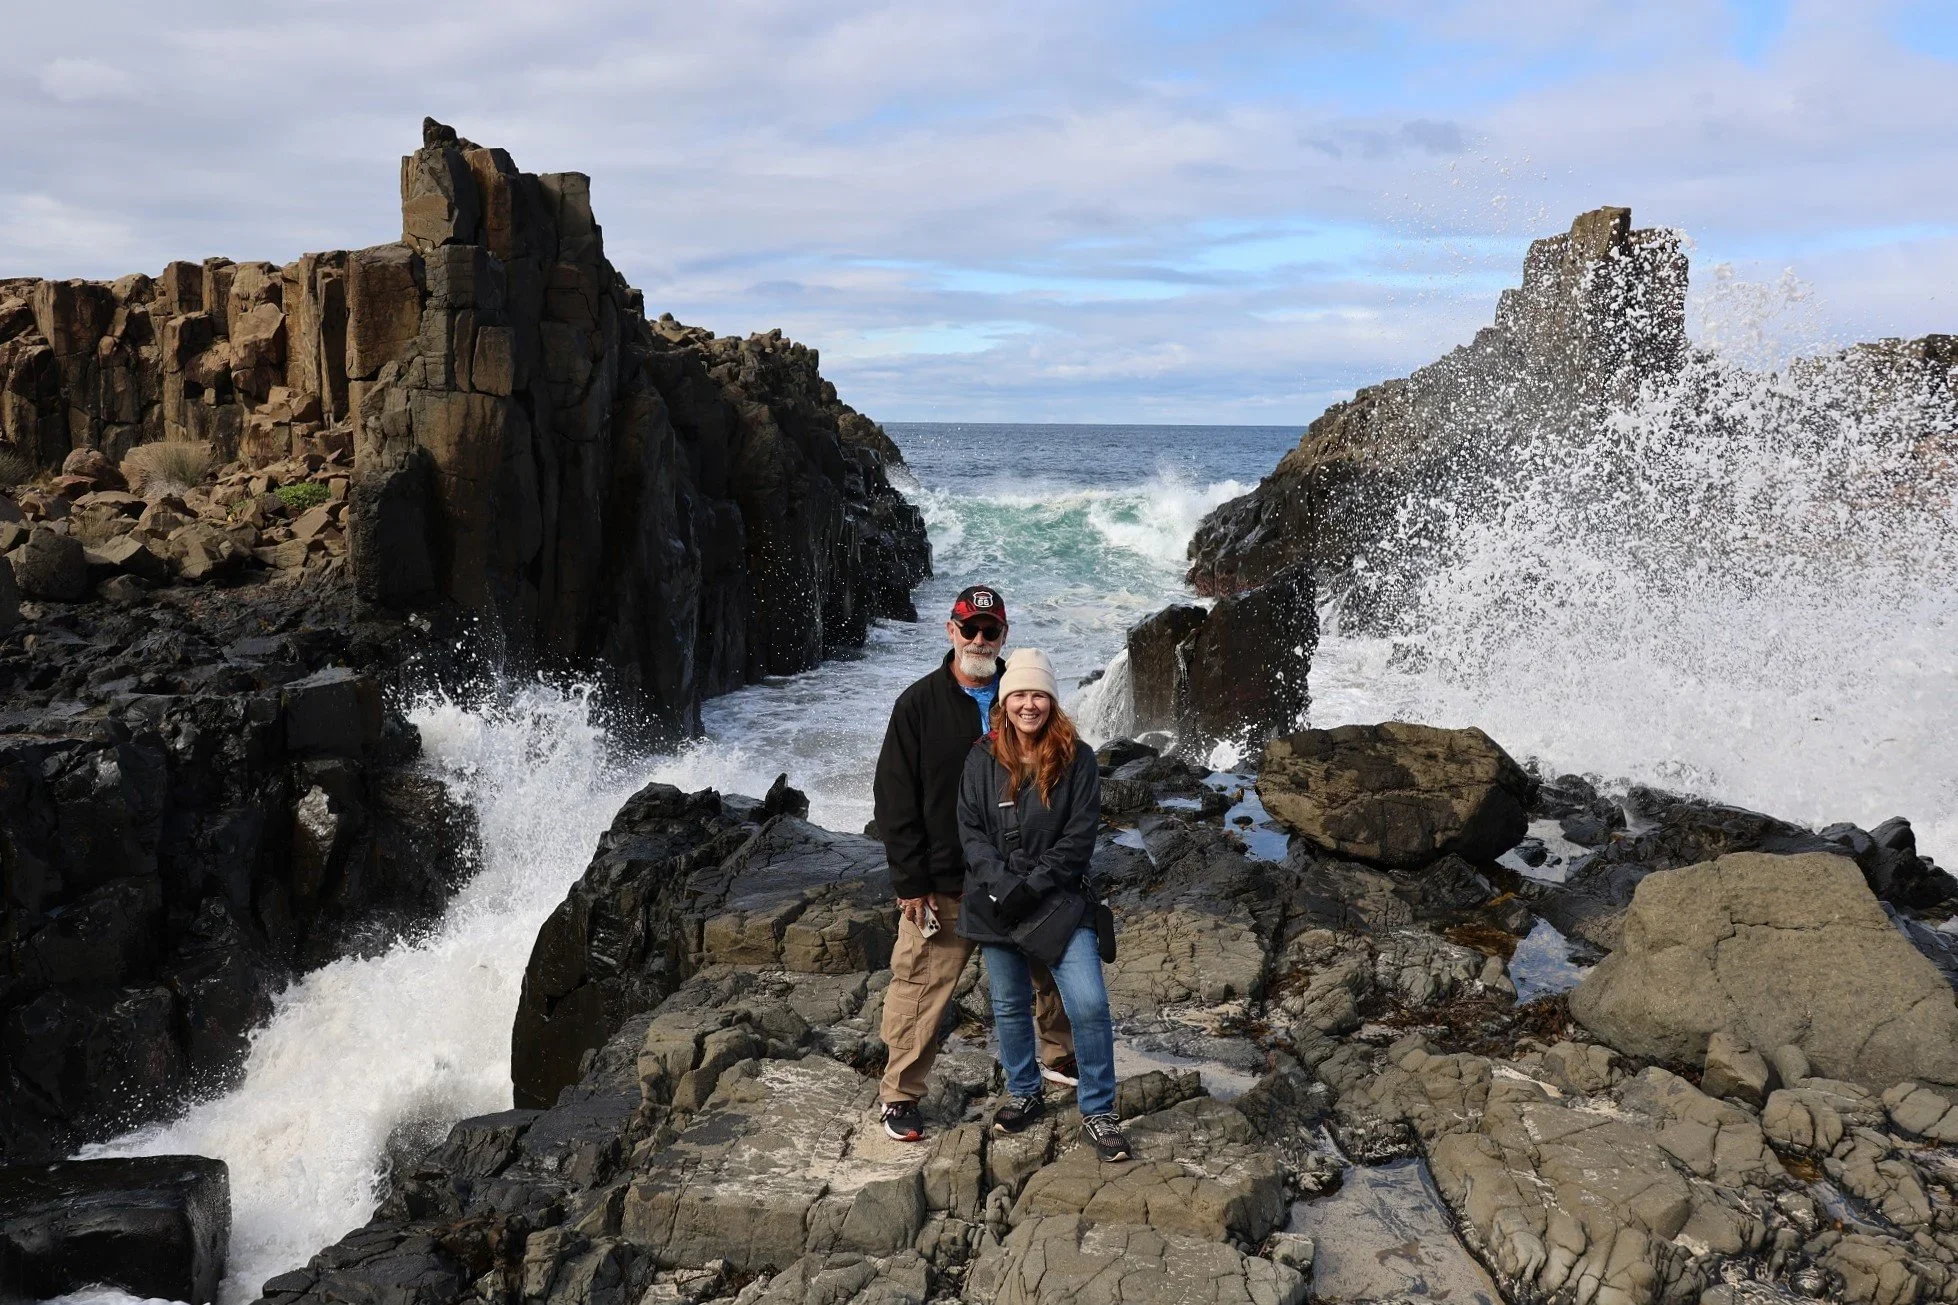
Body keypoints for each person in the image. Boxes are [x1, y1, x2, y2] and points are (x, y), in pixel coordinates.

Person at [873, 585, 1075, 1143]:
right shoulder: (917, 705)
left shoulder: (1029, 698)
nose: (980, 640)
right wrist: (909, 881)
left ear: (1004, 635)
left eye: (991, 631)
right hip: (945, 881)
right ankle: (900, 1094)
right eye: (970, 629)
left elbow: (1065, 782)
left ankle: (1060, 1057)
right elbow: (893, 798)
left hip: (1022, 877)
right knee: (919, 984)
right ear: (951, 632)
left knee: (1049, 969)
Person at [957, 648, 1130, 1163]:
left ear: (1051, 701)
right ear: (1004, 700)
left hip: (1059, 900)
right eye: (1019, 695)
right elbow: (970, 830)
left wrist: (1031, 886)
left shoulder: (1078, 758)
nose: (1028, 705)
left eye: (1038, 695)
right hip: (994, 900)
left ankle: (1098, 1109)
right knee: (1009, 1005)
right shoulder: (981, 757)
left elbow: (1079, 840)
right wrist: (1000, 882)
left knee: (1089, 1005)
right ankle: (1025, 1092)